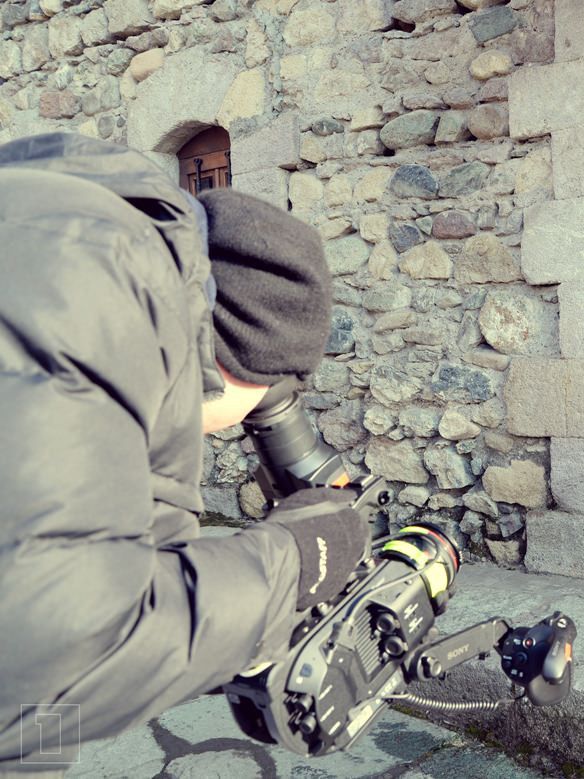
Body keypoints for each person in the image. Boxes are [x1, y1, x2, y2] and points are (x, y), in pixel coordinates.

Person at [0, 133, 370, 774]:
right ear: (244, 360)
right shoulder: (92, 288)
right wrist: (296, 561)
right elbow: (67, 650)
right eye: (271, 396)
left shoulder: (62, 245)